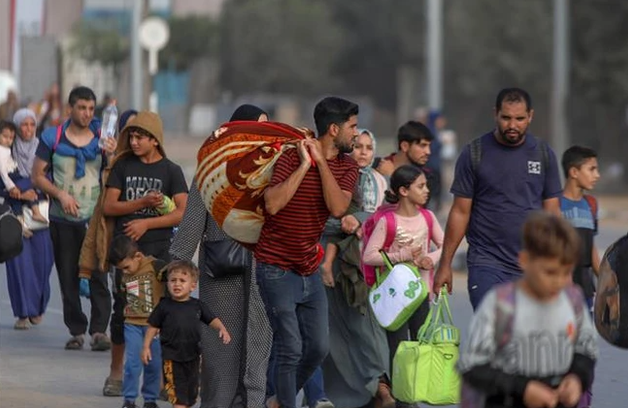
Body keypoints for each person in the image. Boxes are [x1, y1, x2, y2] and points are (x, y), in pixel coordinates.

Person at [255, 96, 359, 408]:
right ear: (333, 128)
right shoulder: (290, 157)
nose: (356, 133)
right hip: (275, 266)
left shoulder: (347, 166)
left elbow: (339, 208)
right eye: (352, 127)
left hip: (308, 266)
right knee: (290, 346)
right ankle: (285, 403)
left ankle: (276, 401)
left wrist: (321, 162)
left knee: (317, 349)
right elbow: (272, 204)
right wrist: (304, 164)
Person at [169, 104, 272, 408]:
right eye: (260, 128)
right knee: (219, 347)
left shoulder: (273, 169)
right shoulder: (211, 167)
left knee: (257, 346)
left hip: (261, 273)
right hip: (220, 273)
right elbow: (190, 225)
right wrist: (175, 274)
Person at [433, 88, 563, 310]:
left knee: (525, 338)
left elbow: (553, 213)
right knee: (495, 330)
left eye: (520, 118)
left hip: (531, 265)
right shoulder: (474, 153)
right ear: (496, 114)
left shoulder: (543, 154)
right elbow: (460, 212)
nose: (512, 125)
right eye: (506, 118)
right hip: (486, 263)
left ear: (530, 116)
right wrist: (445, 264)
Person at [457, 212, 598, 408]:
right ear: (524, 261)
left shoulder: (572, 300)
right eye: (550, 272)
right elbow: (473, 368)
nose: (558, 281)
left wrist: (576, 377)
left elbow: (586, 349)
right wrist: (523, 389)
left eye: (566, 272)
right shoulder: (502, 304)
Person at [101, 110, 188, 396]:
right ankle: (116, 374)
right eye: (132, 137)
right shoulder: (123, 166)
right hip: (127, 256)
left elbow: (182, 213)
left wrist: (147, 222)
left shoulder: (171, 171)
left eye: (140, 137)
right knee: (124, 313)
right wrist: (139, 203)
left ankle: (162, 380)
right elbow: (109, 206)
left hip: (159, 253)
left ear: (155, 140)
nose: (135, 142)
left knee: (162, 315)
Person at [314, 129, 395, 408]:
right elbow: (324, 218)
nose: (362, 152)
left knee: (366, 327)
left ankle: (379, 385)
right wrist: (350, 222)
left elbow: (385, 218)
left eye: (368, 147)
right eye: (357, 146)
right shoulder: (337, 175)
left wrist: (361, 219)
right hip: (333, 262)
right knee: (333, 331)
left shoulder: (379, 180)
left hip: (364, 263)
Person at [32, 86, 117, 350]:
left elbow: (112, 175)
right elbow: (37, 176)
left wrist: (112, 153)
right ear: (71, 109)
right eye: (82, 108)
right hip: (62, 219)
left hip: (95, 219)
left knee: (100, 274)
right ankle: (77, 330)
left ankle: (99, 331)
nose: (87, 113)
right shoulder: (53, 137)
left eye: (91, 109)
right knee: (68, 276)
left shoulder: (102, 139)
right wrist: (60, 195)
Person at [361, 165, 443, 378]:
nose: (427, 190)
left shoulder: (428, 217)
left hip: (422, 295)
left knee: (419, 346)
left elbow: (446, 247)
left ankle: (412, 396)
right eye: (421, 186)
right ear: (404, 191)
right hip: (394, 299)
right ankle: (402, 399)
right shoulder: (387, 221)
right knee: (398, 350)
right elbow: (369, 256)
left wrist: (430, 258)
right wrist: (401, 256)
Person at [142, 260, 232, 408]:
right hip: (171, 358)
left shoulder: (197, 305)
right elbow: (152, 326)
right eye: (173, 280)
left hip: (193, 357)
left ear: (192, 286)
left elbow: (211, 319)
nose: (177, 284)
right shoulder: (164, 306)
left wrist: (222, 329)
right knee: (178, 398)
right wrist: (146, 347)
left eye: (182, 281)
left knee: (190, 396)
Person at [2, 109, 54, 330]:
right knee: (18, 266)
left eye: (32, 125)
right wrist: (23, 193)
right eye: (23, 125)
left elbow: (50, 179)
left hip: (41, 217)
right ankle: (22, 313)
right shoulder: (6, 154)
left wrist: (39, 188)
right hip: (16, 216)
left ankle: (38, 308)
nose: (28, 129)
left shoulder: (43, 151)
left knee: (43, 263)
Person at [560, 146, 601, 408]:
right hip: (560, 294)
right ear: (574, 172)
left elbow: (592, 249)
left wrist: (611, 284)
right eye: (592, 169)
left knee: (584, 352)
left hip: (586, 291)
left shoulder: (591, 205)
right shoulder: (554, 205)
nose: (597, 175)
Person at [108, 235, 167, 408]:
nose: (124, 272)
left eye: (126, 267)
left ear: (138, 257)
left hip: (153, 326)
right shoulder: (124, 273)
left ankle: (150, 399)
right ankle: (129, 399)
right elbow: (122, 294)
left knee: (154, 364)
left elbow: (173, 277)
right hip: (132, 324)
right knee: (133, 364)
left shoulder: (155, 266)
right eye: (121, 269)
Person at [0, 120, 47, 235]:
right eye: (5, 136)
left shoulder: (10, 150)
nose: (8, 140)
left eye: (11, 138)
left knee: (24, 196)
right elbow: (3, 173)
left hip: (14, 177)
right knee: (28, 186)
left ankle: (22, 224)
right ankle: (26, 221)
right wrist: (12, 188)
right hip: (10, 180)